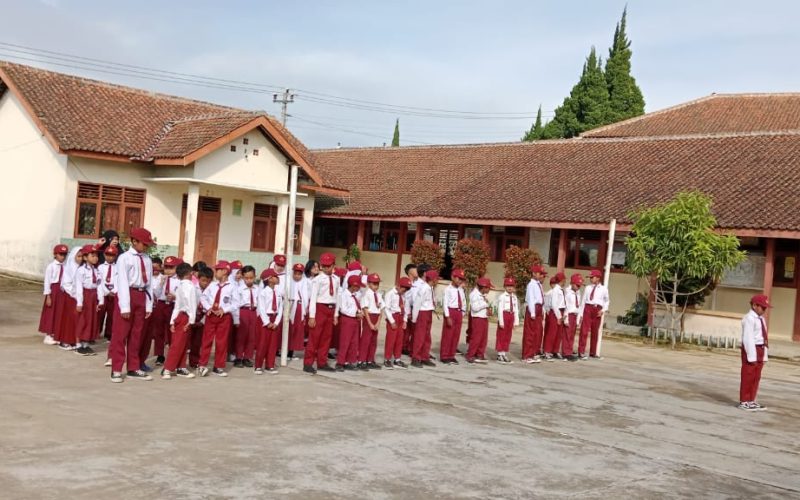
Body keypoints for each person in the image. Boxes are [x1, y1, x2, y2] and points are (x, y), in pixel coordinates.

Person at [110, 227, 156, 383]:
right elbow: (122, 282)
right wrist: (125, 306)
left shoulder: (147, 260)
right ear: (134, 241)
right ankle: (116, 369)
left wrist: (149, 305)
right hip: (128, 294)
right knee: (120, 334)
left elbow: (149, 283)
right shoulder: (125, 258)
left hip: (142, 295)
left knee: (137, 334)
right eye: (144, 243)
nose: (146, 246)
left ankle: (133, 367)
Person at [198, 260, 236, 377]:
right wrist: (208, 307)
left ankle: (218, 366)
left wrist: (224, 309)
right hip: (211, 316)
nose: (215, 272)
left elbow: (236, 303)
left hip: (224, 317)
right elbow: (203, 297)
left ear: (225, 271)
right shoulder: (212, 285)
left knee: (221, 342)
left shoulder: (232, 287)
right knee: (206, 340)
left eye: (217, 270)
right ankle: (202, 364)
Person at [161, 262, 197, 380]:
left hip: (180, 315)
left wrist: (172, 321)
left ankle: (181, 367)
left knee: (183, 344)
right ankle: (168, 368)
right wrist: (191, 320)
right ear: (189, 273)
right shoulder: (190, 286)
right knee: (178, 344)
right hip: (185, 316)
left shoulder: (180, 285)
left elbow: (177, 305)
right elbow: (191, 304)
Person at [305, 252, 339, 374]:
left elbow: (337, 296)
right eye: (323, 266)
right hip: (320, 308)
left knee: (326, 337)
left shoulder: (336, 279)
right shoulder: (318, 279)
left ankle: (322, 362)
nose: (326, 268)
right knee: (314, 337)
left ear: (333, 265)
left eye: (328, 266)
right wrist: (312, 316)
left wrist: (336, 314)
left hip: (331, 308)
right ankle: (308, 363)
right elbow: (313, 298)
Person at [739, 295, 771, 411]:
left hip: (761, 348)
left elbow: (764, 336)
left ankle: (751, 400)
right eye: (762, 307)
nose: (764, 309)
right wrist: (751, 356)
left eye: (765, 307)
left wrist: (765, 354)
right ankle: (744, 401)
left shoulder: (761, 319)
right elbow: (748, 338)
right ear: (754, 305)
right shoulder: (749, 318)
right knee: (748, 375)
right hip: (751, 349)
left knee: (756, 377)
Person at [152, 256, 182, 367]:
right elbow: (156, 293)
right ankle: (160, 355)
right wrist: (161, 283)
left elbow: (182, 295)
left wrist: (175, 297)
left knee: (171, 331)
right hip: (161, 304)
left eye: (171, 267)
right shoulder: (160, 278)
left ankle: (172, 354)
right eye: (166, 267)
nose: (168, 270)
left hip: (173, 306)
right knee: (158, 330)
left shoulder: (179, 280)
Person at [74, 244, 101, 356]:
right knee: (82, 320)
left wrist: (100, 300)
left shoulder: (96, 270)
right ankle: (78, 345)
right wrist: (79, 302)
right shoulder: (81, 271)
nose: (95, 257)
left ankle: (86, 343)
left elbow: (99, 285)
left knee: (91, 320)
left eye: (96, 255)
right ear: (85, 257)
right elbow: (79, 287)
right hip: (85, 295)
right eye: (92, 255)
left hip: (93, 296)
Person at [39, 244, 68, 345]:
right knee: (51, 313)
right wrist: (48, 296)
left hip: (62, 291)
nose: (63, 256)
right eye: (60, 254)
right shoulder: (51, 267)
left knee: (59, 313)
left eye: (64, 254)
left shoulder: (65, 266)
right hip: (53, 290)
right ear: (55, 254)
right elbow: (47, 281)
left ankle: (56, 333)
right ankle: (48, 335)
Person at [255, 268, 282, 374]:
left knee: (273, 344)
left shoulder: (278, 292)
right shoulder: (263, 293)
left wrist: (276, 322)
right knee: (262, 343)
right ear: (270, 279)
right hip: (264, 319)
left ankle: (270, 365)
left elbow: (280, 308)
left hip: (274, 319)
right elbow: (261, 308)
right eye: (275, 276)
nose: (277, 278)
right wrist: (267, 322)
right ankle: (258, 366)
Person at [55, 246, 83, 351]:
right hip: (70, 296)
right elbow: (66, 284)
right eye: (78, 256)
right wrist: (75, 294)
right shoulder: (69, 267)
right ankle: (65, 340)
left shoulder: (82, 268)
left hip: (78, 297)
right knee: (68, 320)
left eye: (82, 256)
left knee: (77, 320)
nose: (80, 258)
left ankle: (75, 340)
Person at [138, 256, 163, 372]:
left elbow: (157, 294)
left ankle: (142, 361)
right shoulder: (143, 277)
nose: (155, 270)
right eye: (153, 268)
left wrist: (161, 284)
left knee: (148, 337)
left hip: (153, 308)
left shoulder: (162, 278)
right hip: (141, 309)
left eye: (157, 268)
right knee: (138, 336)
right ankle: (134, 361)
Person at [579, 269, 610, 359]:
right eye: (590, 277)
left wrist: (603, 310)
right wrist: (581, 314)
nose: (591, 279)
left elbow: (607, 301)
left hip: (597, 309)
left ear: (598, 278)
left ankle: (593, 352)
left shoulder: (604, 289)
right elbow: (583, 301)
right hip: (588, 308)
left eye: (592, 277)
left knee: (595, 332)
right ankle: (581, 351)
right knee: (584, 331)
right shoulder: (588, 288)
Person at [335, 274, 364, 371]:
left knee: (353, 342)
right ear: (353, 285)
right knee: (345, 341)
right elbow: (343, 309)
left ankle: (349, 361)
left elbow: (355, 307)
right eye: (358, 286)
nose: (359, 288)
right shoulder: (344, 295)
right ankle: (340, 362)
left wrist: (359, 313)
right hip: (347, 319)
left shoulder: (354, 296)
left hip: (354, 320)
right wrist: (356, 313)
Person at [410, 269, 438, 368]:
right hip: (422, 313)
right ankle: (416, 357)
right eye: (436, 279)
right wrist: (414, 318)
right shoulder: (424, 288)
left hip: (428, 312)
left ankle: (424, 356)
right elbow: (417, 303)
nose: (437, 281)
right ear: (433, 279)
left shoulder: (430, 288)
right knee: (420, 336)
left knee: (427, 336)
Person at [233, 265, 258, 368]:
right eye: (246, 278)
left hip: (254, 312)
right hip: (243, 311)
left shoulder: (257, 288)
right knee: (241, 336)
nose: (249, 280)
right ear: (243, 277)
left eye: (251, 278)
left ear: (255, 277)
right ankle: (238, 357)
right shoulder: (239, 289)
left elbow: (260, 303)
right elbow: (235, 305)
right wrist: (236, 319)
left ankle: (247, 357)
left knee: (251, 336)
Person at [383, 277, 411, 369]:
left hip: (401, 317)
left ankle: (397, 359)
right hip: (393, 317)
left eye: (407, 289)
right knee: (391, 340)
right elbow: (386, 309)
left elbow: (406, 308)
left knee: (399, 340)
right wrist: (391, 321)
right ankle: (387, 359)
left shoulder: (404, 295)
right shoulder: (390, 294)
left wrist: (405, 320)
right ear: (399, 286)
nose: (405, 291)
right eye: (404, 288)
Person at [440, 269, 467, 365]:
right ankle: (444, 355)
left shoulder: (461, 289)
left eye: (461, 279)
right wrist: (447, 316)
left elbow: (463, 301)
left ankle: (451, 355)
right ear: (452, 277)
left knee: (456, 335)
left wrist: (462, 312)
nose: (459, 281)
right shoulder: (448, 289)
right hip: (451, 311)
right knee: (448, 334)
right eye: (458, 278)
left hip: (458, 312)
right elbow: (445, 304)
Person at [189, 267, 213, 369]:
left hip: (204, 317)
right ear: (198, 279)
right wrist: (192, 319)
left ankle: (195, 362)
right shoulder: (193, 288)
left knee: (197, 343)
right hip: (193, 316)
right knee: (187, 341)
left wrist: (202, 321)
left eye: (208, 281)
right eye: (203, 280)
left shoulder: (212, 290)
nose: (205, 283)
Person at [359, 273, 384, 370]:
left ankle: (370, 359)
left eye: (377, 283)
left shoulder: (379, 294)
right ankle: (362, 360)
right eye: (374, 283)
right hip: (369, 317)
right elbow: (365, 309)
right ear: (368, 283)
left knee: (373, 341)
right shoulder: (367, 294)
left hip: (376, 317)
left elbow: (381, 308)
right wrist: (369, 323)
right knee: (366, 340)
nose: (376, 286)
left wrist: (378, 322)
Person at [522, 265, 547, 364]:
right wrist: (532, 312)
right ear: (534, 274)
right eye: (539, 274)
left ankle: (533, 353)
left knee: (537, 332)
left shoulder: (538, 284)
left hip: (539, 308)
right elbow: (531, 299)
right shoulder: (531, 285)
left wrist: (542, 310)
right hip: (533, 308)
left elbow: (541, 298)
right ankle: (527, 355)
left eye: (542, 274)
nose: (541, 276)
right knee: (530, 332)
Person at [467, 277, 492, 364]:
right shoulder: (474, 294)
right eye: (488, 288)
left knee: (483, 338)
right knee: (476, 338)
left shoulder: (482, 295)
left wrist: (488, 309)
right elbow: (475, 308)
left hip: (484, 317)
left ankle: (480, 354)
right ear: (483, 287)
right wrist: (485, 304)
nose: (489, 290)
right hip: (477, 318)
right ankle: (470, 355)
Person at [96, 245, 119, 344]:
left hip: (113, 293)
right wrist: (106, 292)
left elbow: (119, 280)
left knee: (112, 315)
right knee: (100, 314)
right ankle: (96, 332)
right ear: (104, 255)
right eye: (108, 255)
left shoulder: (118, 267)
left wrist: (114, 291)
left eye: (112, 255)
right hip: (103, 292)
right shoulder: (100, 267)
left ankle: (109, 334)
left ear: (116, 256)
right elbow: (99, 281)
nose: (110, 257)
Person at [495, 277, 519, 364]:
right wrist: (501, 321)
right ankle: (499, 354)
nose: (510, 288)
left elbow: (516, 309)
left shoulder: (514, 297)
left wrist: (516, 321)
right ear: (505, 286)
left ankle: (504, 352)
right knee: (501, 335)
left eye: (512, 286)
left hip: (511, 315)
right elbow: (500, 310)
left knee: (508, 336)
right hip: (504, 315)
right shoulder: (502, 297)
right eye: (508, 286)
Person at [543, 272, 566, 361]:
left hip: (561, 311)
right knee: (552, 333)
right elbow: (554, 304)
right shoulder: (555, 290)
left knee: (558, 334)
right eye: (564, 280)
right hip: (556, 312)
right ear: (562, 280)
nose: (565, 281)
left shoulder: (560, 289)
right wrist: (559, 316)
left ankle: (555, 350)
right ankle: (547, 351)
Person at [288, 263, 309, 360]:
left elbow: (306, 297)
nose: (297, 276)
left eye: (299, 274)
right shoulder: (289, 282)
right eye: (295, 273)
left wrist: (305, 310)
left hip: (300, 307)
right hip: (290, 306)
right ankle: (285, 351)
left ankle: (292, 352)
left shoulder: (305, 282)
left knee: (297, 330)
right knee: (289, 329)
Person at [563, 273, 584, 361]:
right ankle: (566, 353)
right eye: (577, 285)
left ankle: (570, 351)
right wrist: (566, 318)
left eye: (580, 286)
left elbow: (579, 306)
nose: (579, 287)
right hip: (569, 315)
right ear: (572, 283)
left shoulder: (578, 293)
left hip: (575, 315)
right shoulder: (567, 292)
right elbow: (566, 306)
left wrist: (579, 318)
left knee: (572, 335)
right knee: (567, 334)